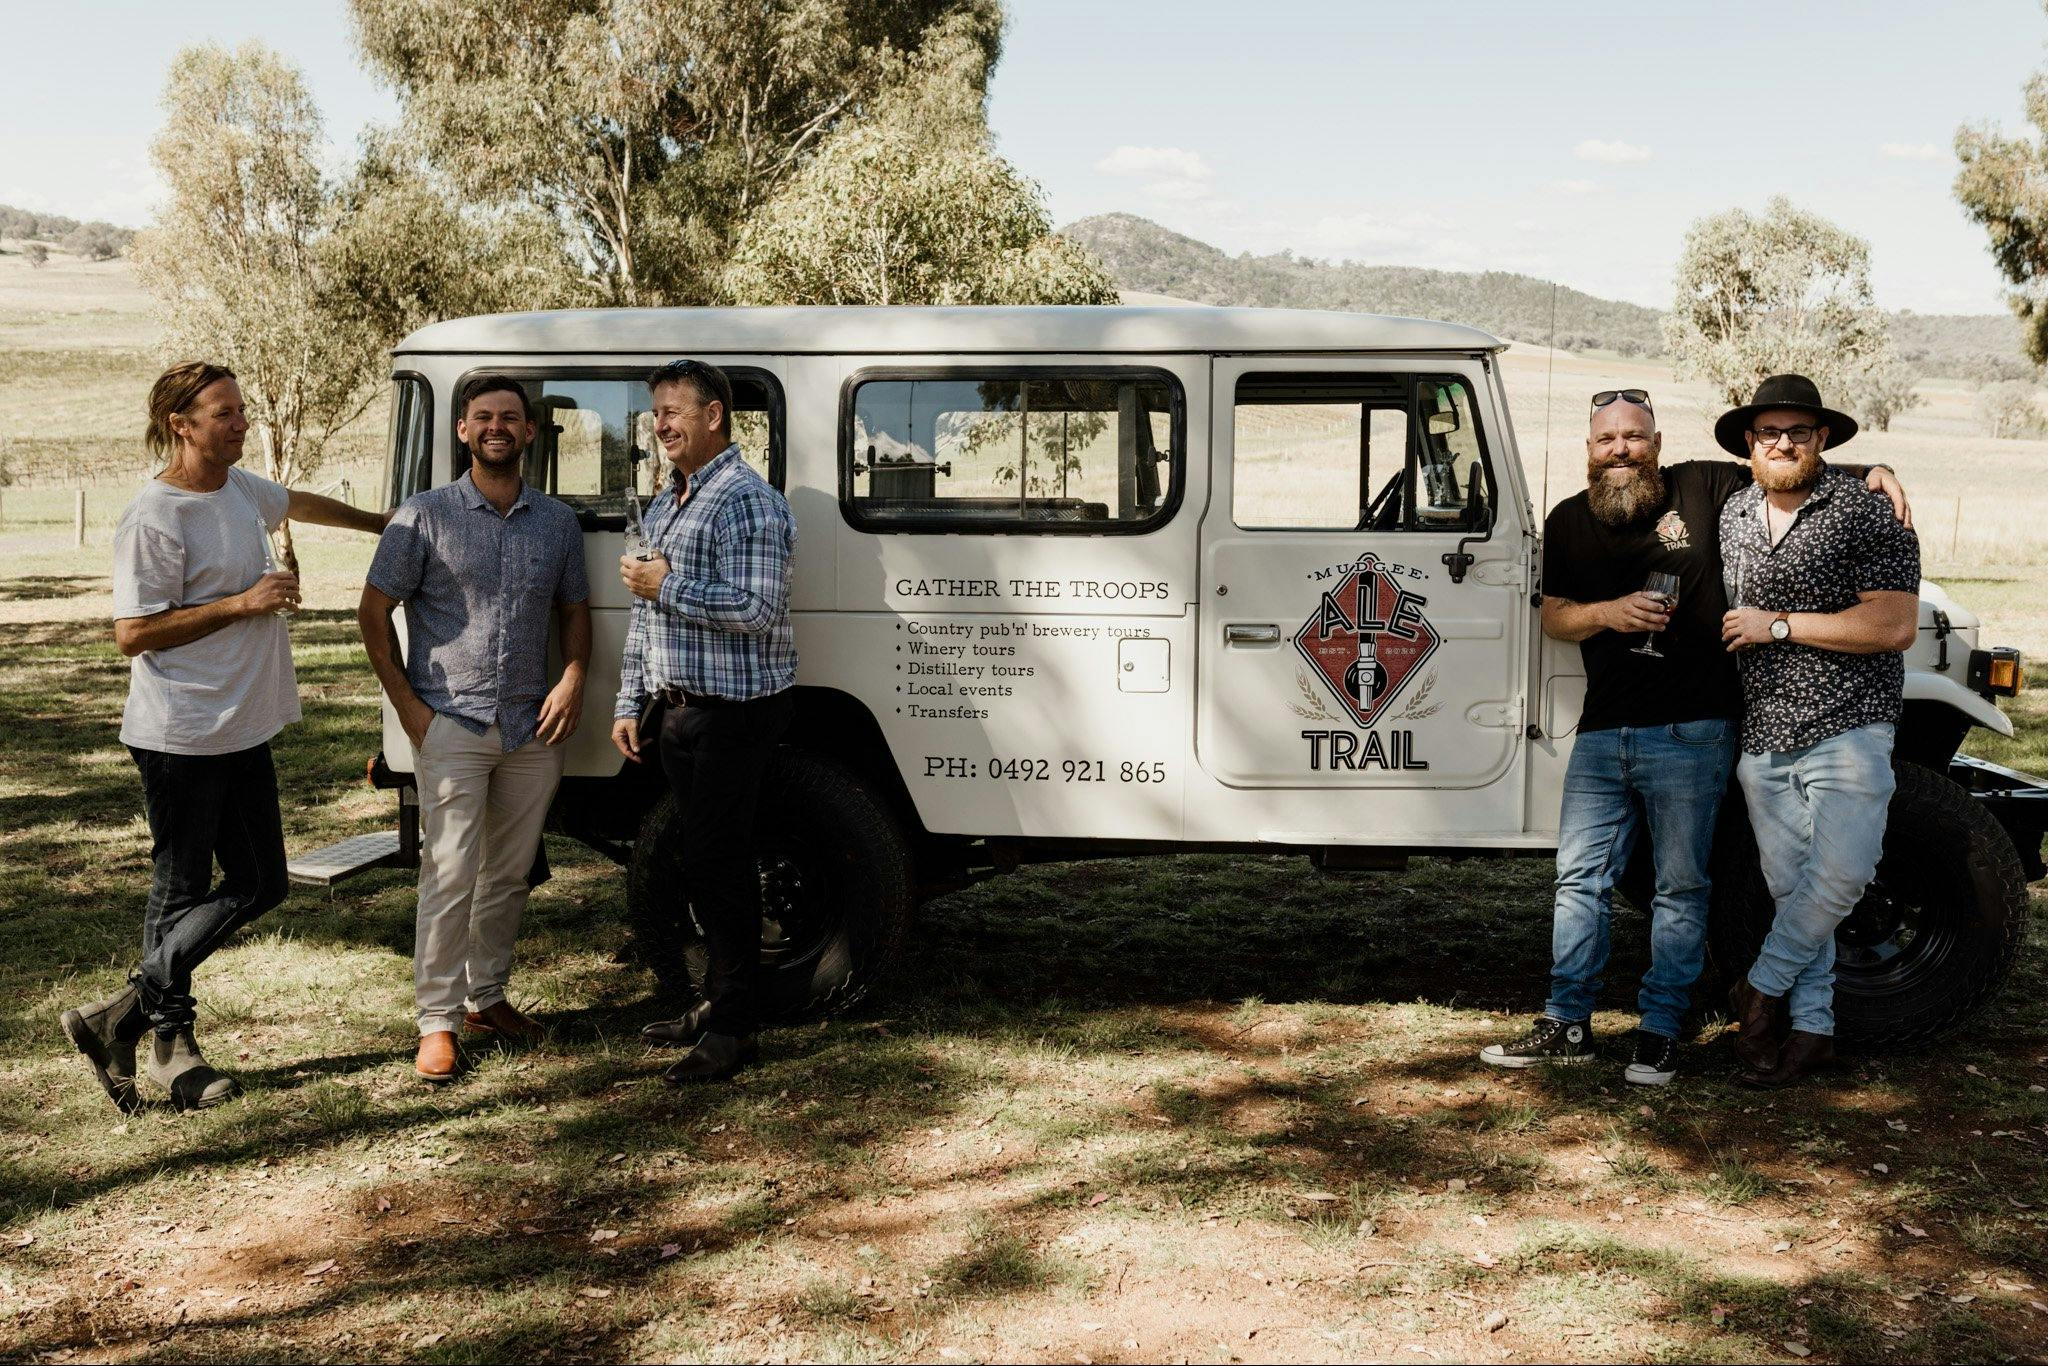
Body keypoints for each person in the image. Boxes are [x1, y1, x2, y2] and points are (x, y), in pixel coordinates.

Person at [1479, 387, 1906, 1086]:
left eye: (1635, 436)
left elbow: (1786, 466)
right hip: (1602, 730)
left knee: (1681, 888)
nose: (1621, 449)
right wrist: (1609, 613)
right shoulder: (1566, 520)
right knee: (1578, 879)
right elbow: (1555, 616)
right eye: (1606, 439)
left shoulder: (1702, 485)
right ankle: (1566, 1020)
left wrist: (1874, 471)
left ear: (1656, 442)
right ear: (1588, 450)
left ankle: (1662, 1030)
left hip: (1695, 729)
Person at [61, 361, 388, 1113]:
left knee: (262, 881)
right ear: (182, 424)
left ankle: (118, 1019)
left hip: (242, 723)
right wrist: (243, 602)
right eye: (224, 413)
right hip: (180, 733)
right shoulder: (155, 516)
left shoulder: (241, 488)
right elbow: (133, 633)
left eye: (241, 409)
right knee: (179, 891)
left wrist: (381, 523)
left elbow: (295, 502)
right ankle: (170, 1049)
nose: (241, 422)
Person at [359, 374, 591, 1083]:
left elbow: (574, 610)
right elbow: (372, 615)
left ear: (529, 432)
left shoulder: (557, 522)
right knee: (450, 870)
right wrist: (410, 710)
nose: (496, 426)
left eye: (510, 418)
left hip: (530, 727)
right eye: (483, 416)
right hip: (449, 721)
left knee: (510, 875)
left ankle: (485, 996)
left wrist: (575, 675)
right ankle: (437, 1021)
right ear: (463, 431)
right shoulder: (422, 517)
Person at [1717, 375, 1920, 1089]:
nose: (1783, 443)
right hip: (1765, 735)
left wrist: (1777, 625)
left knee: (1841, 877)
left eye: (1798, 432)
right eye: (1770, 431)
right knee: (1794, 891)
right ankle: (1813, 1034)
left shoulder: (1869, 513)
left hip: (1848, 727)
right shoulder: (1735, 509)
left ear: (1822, 439)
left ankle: (1758, 991)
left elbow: (1894, 625)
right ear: (1750, 442)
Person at [610, 359, 796, 1085]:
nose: (660, 425)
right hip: (682, 712)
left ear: (714, 415)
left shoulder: (747, 500)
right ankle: (717, 1001)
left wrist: (668, 583)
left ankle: (734, 1027)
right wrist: (631, 700)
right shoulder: (670, 501)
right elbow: (644, 612)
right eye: (655, 413)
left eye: (672, 411)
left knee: (720, 869)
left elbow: (759, 609)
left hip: (735, 716)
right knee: (703, 862)